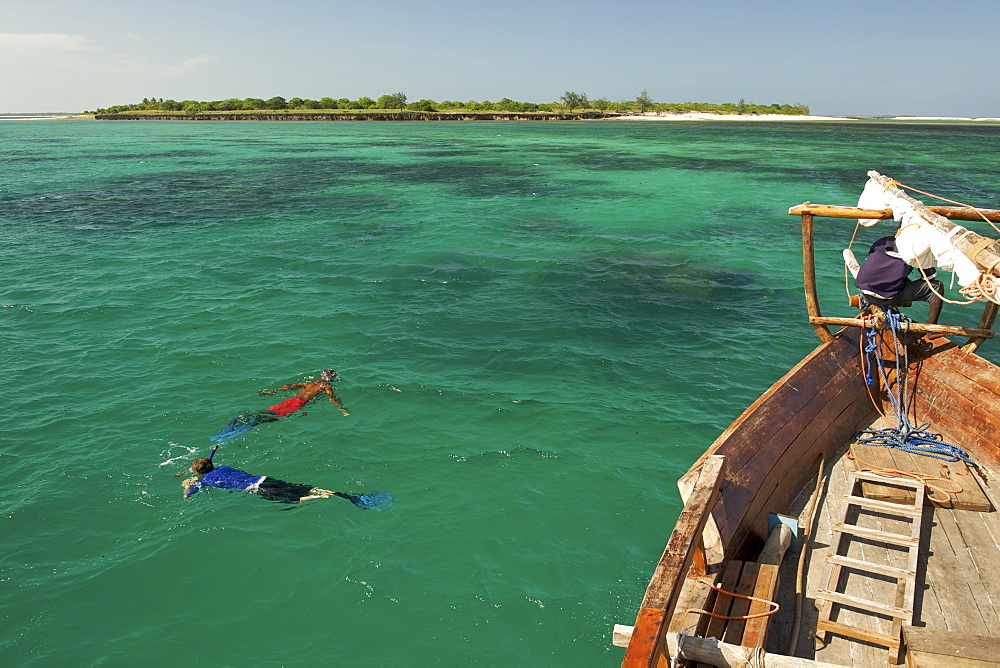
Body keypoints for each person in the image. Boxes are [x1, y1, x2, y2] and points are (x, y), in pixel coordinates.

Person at [182, 451, 341, 503]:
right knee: (299, 487)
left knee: (294, 499)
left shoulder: (205, 481)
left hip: (257, 488)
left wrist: (187, 485)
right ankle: (324, 490)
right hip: (263, 479)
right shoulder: (224, 467)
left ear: (198, 473)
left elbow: (187, 496)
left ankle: (320, 497)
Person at [855, 234, 943, 324]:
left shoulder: (883, 241)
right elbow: (930, 277)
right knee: (937, 287)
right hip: (886, 297)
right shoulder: (917, 251)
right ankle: (931, 328)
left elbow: (872, 260)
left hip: (864, 290)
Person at [257, 369, 350, 417]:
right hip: (299, 403)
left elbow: (291, 386)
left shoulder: (310, 383)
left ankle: (254, 414)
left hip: (292, 400)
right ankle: (255, 423)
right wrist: (341, 408)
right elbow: (332, 398)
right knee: (278, 416)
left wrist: (271, 392)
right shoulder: (326, 387)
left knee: (270, 411)